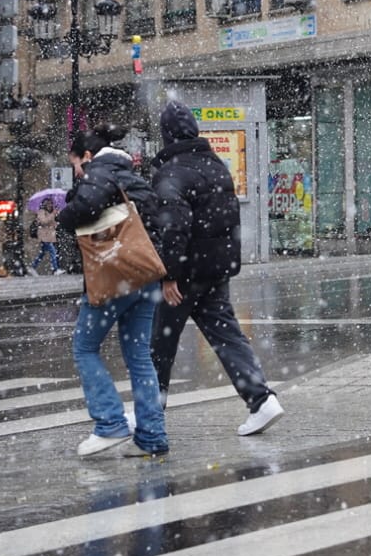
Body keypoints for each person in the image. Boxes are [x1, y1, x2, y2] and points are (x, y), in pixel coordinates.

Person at [149, 100, 284, 436]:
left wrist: (169, 274)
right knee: (227, 336)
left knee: (160, 345)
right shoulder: (216, 166)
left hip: (184, 274)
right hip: (215, 271)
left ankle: (150, 414)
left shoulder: (172, 172)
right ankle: (261, 400)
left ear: (166, 135)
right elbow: (226, 220)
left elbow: (173, 226)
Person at [56, 123, 169, 460]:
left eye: (76, 164)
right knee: (138, 355)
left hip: (114, 275)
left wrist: (68, 208)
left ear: (87, 157)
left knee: (85, 347)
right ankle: (151, 436)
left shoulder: (99, 174)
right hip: (144, 274)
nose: (77, 171)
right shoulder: (133, 175)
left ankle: (110, 424)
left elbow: (81, 209)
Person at [28, 201, 61, 275]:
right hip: (44, 235)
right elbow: (44, 221)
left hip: (49, 235)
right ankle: (55, 269)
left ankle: (33, 267)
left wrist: (55, 216)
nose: (50, 205)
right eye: (48, 204)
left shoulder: (50, 212)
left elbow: (52, 224)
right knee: (53, 251)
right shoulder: (41, 212)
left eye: (51, 204)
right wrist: (52, 214)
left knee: (42, 253)